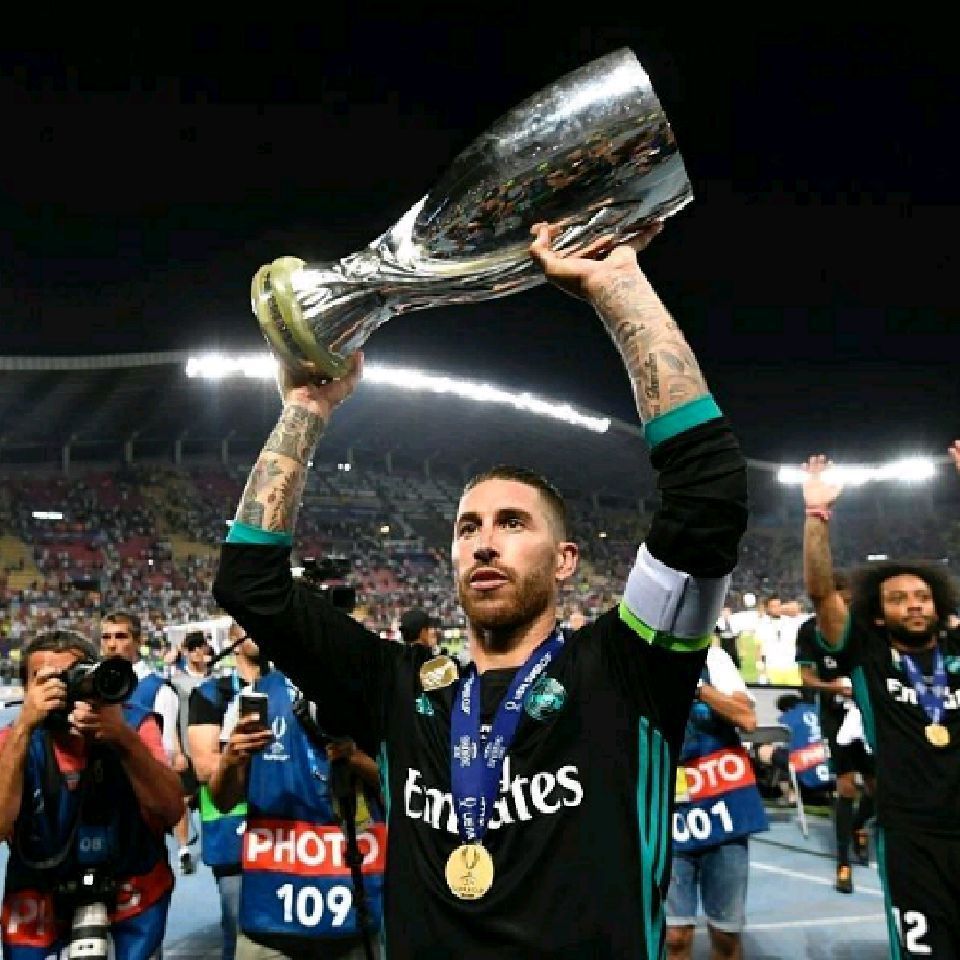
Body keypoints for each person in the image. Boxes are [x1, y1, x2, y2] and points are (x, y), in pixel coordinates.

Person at [213, 221, 748, 958]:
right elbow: (249, 584)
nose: (485, 542)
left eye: (512, 523)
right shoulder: (397, 691)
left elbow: (708, 497)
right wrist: (306, 407)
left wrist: (620, 286)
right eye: (468, 528)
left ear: (565, 560)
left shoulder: (629, 666)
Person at [802, 448, 960, 957]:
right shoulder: (867, 655)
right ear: (876, 614)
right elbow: (821, 593)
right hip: (912, 836)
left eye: (922, 597)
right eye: (898, 598)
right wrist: (816, 515)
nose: (914, 604)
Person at [0, 629, 183, 960]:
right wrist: (25, 727)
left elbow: (172, 810)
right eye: (46, 680)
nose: (62, 690)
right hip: (41, 900)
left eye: (73, 676)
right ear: (26, 690)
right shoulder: (13, 740)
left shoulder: (132, 723)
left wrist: (122, 738)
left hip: (131, 895)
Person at [210, 664, 386, 960]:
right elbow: (223, 801)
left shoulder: (369, 694)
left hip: (356, 911)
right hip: (270, 921)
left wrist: (353, 756)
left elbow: (399, 786)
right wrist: (230, 761)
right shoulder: (253, 697)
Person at [666, 638, 766, 960]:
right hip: (669, 815)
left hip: (724, 810)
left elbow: (747, 718)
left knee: (726, 936)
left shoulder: (714, 659)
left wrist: (696, 686)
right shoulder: (637, 661)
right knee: (674, 936)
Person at [796, 575, 876, 893]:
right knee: (846, 786)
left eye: (849, 600)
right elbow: (805, 676)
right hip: (835, 716)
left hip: (867, 712)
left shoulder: (863, 628)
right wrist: (832, 687)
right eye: (840, 600)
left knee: (876, 787)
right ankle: (843, 863)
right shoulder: (809, 631)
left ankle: (859, 825)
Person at [100, 610, 195, 875]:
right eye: (106, 637)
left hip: (141, 801)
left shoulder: (157, 689)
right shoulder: (95, 686)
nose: (112, 644)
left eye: (121, 636)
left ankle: (183, 847)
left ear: (138, 641)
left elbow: (166, 749)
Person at [188, 621, 262, 960]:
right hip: (230, 828)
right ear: (234, 639)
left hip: (285, 830)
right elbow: (205, 769)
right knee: (238, 929)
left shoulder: (291, 689)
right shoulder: (210, 694)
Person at [168, 629, 213, 876]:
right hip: (186, 750)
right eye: (193, 648)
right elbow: (170, 719)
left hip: (210, 751)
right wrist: (177, 750)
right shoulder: (176, 682)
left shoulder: (216, 680)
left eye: (200, 646)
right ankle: (184, 850)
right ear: (186, 652)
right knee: (183, 801)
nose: (198, 652)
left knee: (214, 797)